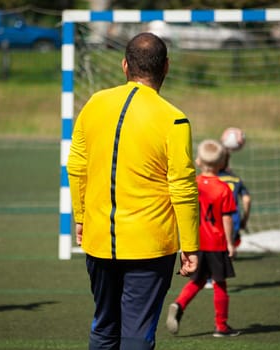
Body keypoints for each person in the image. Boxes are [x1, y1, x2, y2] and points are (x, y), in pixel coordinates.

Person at [67, 32, 199, 350]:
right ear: (166, 67)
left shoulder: (95, 103)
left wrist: (81, 216)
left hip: (99, 240)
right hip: (149, 246)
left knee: (104, 326)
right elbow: (182, 186)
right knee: (137, 334)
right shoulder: (175, 120)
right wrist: (190, 245)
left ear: (124, 65)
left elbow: (76, 165)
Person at [166, 139, 240, 338]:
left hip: (195, 242)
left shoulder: (193, 185)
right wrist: (230, 242)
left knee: (197, 281)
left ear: (198, 161)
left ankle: (178, 304)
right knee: (220, 283)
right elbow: (226, 218)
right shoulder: (224, 189)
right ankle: (221, 326)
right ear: (222, 163)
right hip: (216, 244)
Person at [218, 150, 251, 251]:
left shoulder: (213, 178)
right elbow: (247, 200)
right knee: (230, 249)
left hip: (215, 219)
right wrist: (244, 220)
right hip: (234, 218)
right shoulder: (236, 179)